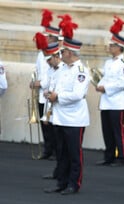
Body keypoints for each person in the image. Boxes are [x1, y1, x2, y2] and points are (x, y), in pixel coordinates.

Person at [43, 17, 90, 196]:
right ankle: (61, 181)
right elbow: (53, 83)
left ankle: (73, 183)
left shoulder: (81, 72)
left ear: (70, 53)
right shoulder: (62, 69)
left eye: (63, 52)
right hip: (60, 116)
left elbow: (77, 95)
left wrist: (58, 96)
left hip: (74, 118)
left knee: (74, 153)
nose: (60, 55)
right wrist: (50, 93)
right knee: (61, 151)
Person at [95, 17, 124, 167]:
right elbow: (105, 78)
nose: (109, 48)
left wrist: (106, 88)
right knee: (107, 130)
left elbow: (121, 83)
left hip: (117, 102)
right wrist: (99, 84)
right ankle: (109, 155)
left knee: (118, 131)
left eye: (112, 45)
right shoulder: (108, 63)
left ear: (119, 47)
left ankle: (121, 156)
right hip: (106, 101)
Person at [33, 10, 61, 159]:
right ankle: (47, 148)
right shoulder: (41, 53)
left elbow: (54, 74)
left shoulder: (57, 53)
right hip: (41, 92)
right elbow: (39, 70)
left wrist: (42, 83)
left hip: (50, 92)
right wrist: (34, 81)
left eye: (47, 36)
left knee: (52, 124)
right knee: (44, 123)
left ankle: (56, 151)